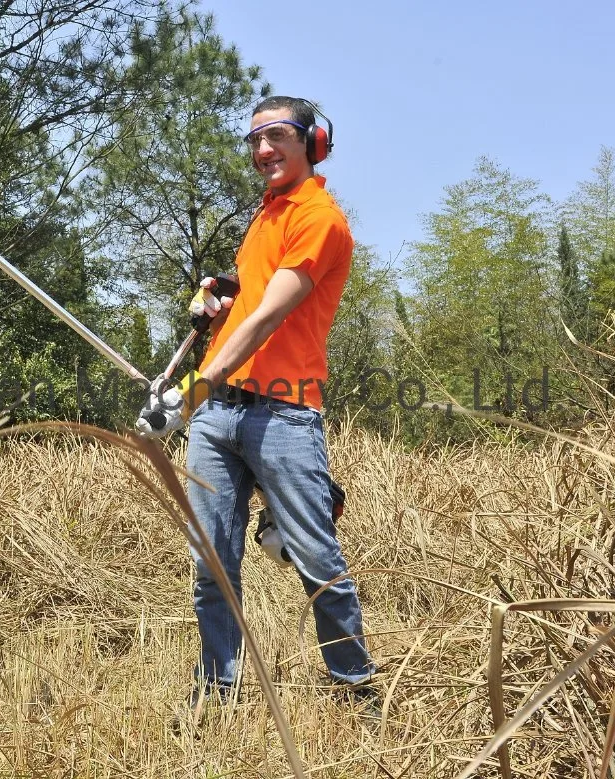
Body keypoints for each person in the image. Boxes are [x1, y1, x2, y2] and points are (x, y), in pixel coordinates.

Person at [136, 95, 375, 703]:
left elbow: (270, 317)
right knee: (212, 565)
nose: (263, 149)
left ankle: (355, 691)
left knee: (318, 563)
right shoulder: (265, 216)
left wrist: (192, 389)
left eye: (277, 136)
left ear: (312, 142)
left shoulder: (320, 219)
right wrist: (216, 300)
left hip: (285, 413)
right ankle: (216, 693)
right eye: (254, 140)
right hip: (221, 416)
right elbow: (251, 300)